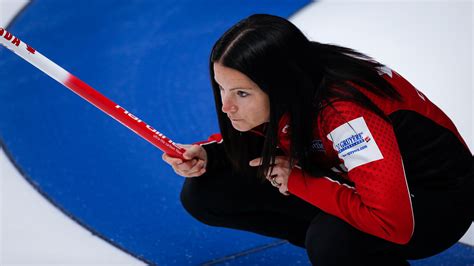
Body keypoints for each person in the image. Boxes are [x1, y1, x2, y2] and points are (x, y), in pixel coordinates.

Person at [162, 14, 473, 265]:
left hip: (433, 206)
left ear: (280, 86)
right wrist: (210, 155)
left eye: (242, 93)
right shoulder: (296, 72)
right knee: (205, 191)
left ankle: (352, 253)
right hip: (359, 179)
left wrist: (300, 182)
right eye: (222, 88)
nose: (225, 106)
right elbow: (275, 130)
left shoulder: (343, 114)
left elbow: (395, 224)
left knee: (331, 240)